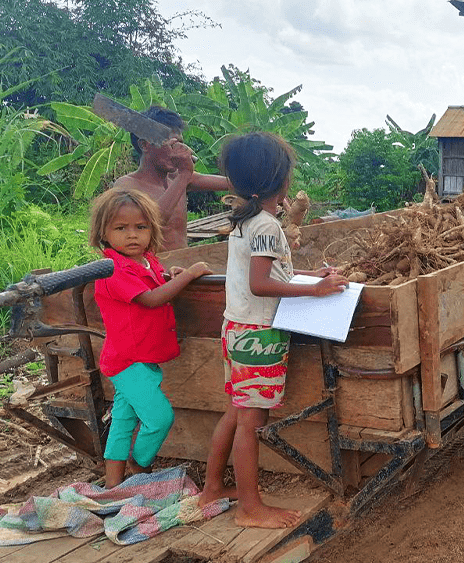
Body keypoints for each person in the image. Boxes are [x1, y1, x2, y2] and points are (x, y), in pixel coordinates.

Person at [197, 132, 349, 528]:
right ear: (280, 182)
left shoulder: (247, 221)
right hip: (258, 335)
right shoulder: (266, 226)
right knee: (251, 422)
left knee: (235, 413)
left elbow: (267, 271)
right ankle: (251, 509)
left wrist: (307, 274)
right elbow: (260, 284)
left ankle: (212, 488)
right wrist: (315, 290)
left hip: (238, 328)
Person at [89, 188, 212, 488]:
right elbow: (151, 300)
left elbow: (156, 284)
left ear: (152, 230)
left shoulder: (147, 261)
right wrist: (190, 274)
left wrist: (172, 275)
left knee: (122, 421)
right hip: (127, 360)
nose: (132, 235)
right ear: (103, 233)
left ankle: (113, 486)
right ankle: (139, 465)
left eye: (140, 227)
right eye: (121, 228)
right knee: (159, 418)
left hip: (140, 356)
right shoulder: (110, 269)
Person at [112, 106, 231, 251]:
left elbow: (231, 183)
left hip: (183, 267)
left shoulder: (178, 178)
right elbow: (152, 224)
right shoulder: (127, 186)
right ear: (145, 145)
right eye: (173, 144)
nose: (179, 149)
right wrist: (184, 175)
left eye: (180, 143)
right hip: (152, 271)